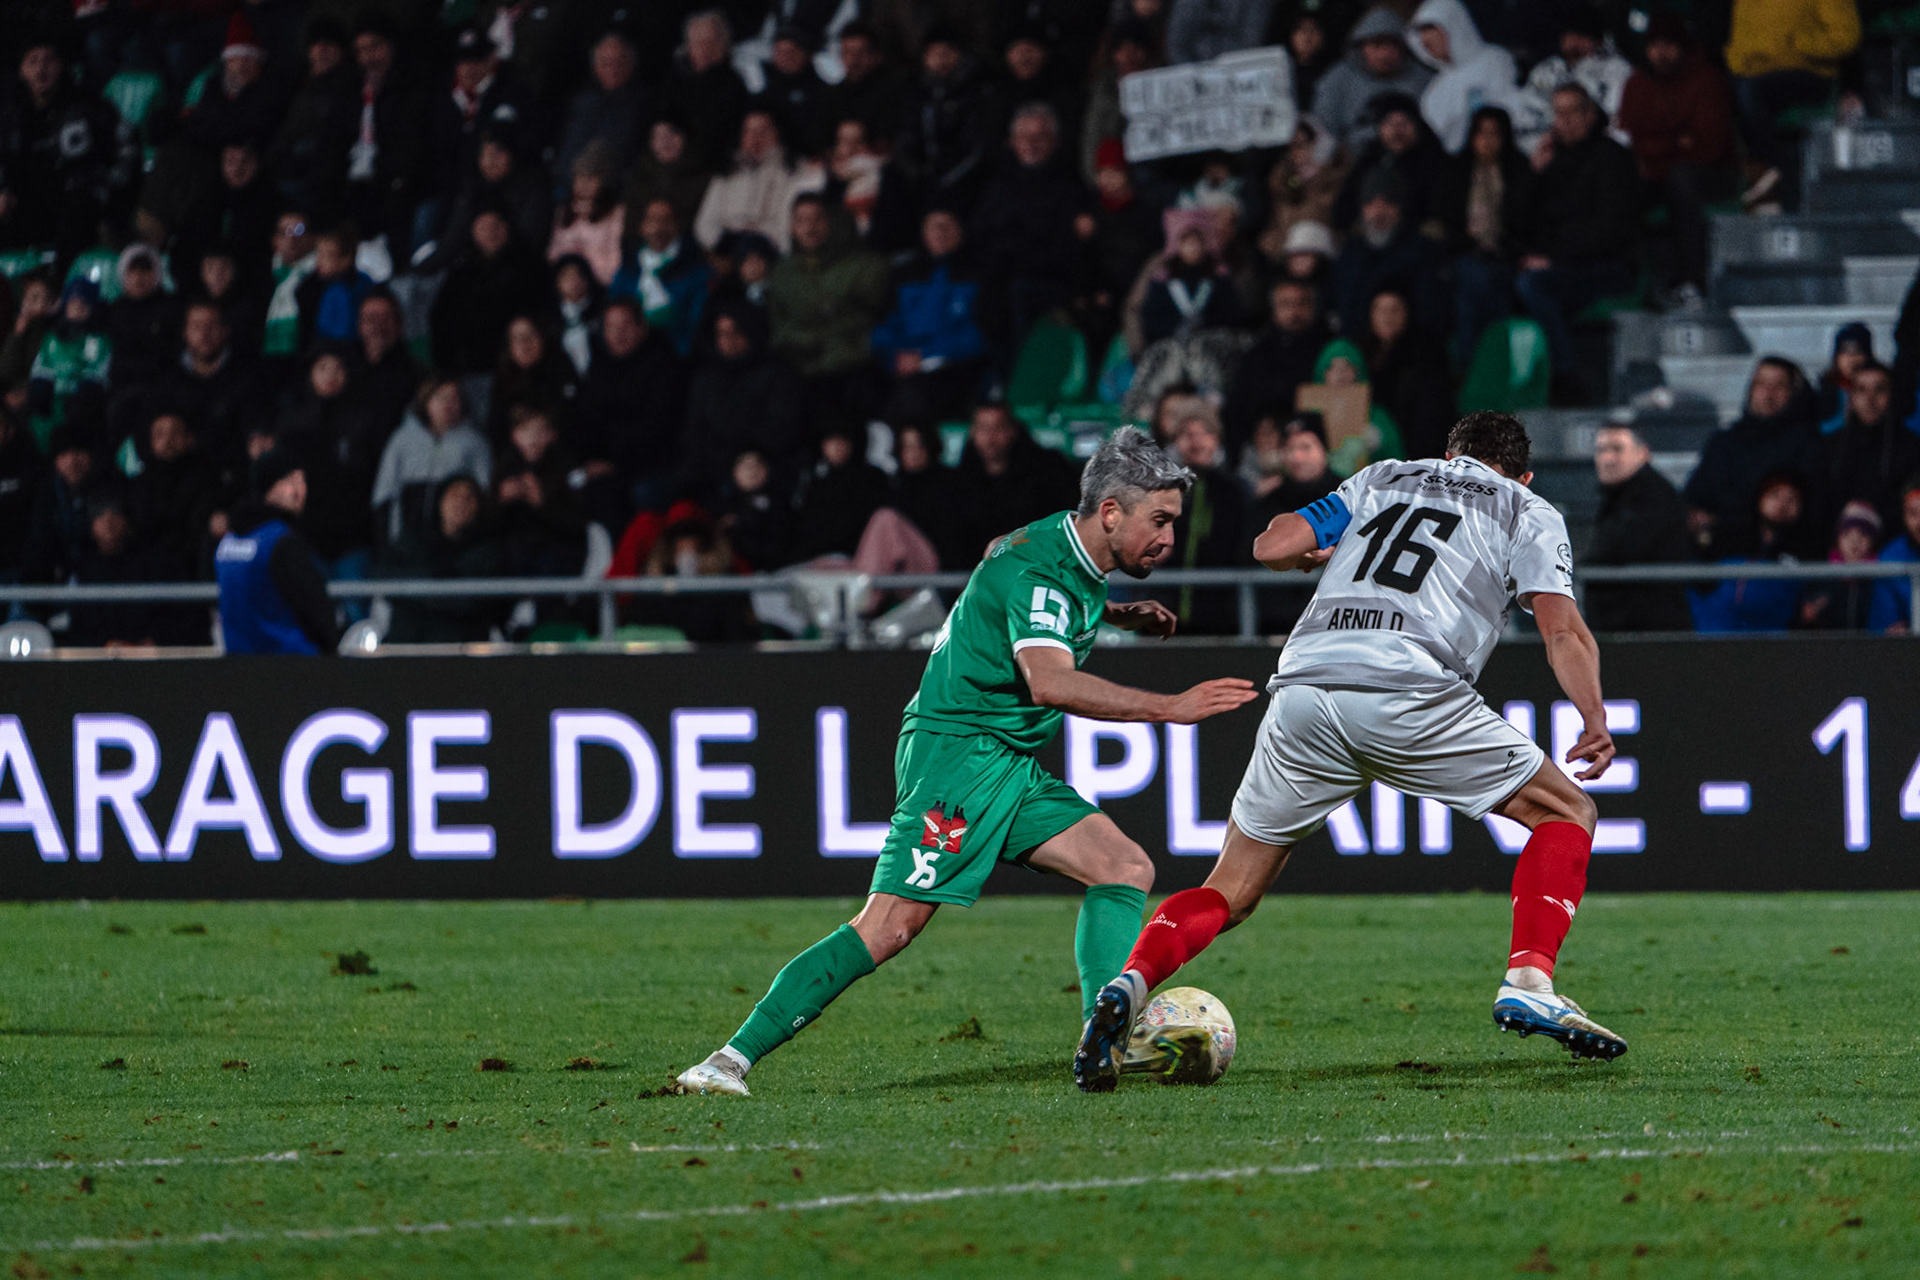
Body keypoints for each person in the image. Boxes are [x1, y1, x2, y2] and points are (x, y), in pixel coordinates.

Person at [672, 427, 1261, 1097]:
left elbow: (1000, 568)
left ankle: (1107, 1034)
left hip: (1003, 758)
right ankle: (725, 1061)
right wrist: (1169, 706)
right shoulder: (1047, 575)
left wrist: (1117, 614)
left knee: (1123, 866)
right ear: (1109, 513)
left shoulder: (1055, 547)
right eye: (1158, 521)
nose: (1168, 538)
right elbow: (1049, 681)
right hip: (959, 758)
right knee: (890, 927)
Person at [1076, 410, 1629, 1091]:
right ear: (1522, 471)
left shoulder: (1387, 475)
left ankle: (1130, 983)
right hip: (1408, 685)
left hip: (1305, 689)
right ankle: (1529, 979)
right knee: (1566, 811)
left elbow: (1270, 544)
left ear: (1447, 454)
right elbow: (1562, 628)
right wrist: (1593, 716)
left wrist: (1309, 555)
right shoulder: (1527, 507)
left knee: (1231, 887)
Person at [1515, 85, 1640, 403]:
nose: (1565, 120)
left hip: (1608, 266)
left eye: (1573, 111)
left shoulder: (1613, 157)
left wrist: (1554, 259)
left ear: (1590, 114)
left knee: (1534, 287)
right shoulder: (1551, 161)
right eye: (1559, 113)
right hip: (1560, 265)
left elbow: (1612, 231)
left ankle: (1565, 377)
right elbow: (1521, 222)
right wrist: (1534, 174)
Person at [1616, 16, 1737, 306]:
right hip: (1653, 171)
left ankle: (1692, 280)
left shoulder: (1706, 80)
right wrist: (1675, 139)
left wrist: (1658, 144)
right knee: (1618, 187)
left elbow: (1710, 145)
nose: (1661, 53)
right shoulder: (1637, 84)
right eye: (1654, 46)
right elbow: (1631, 134)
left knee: (1681, 180)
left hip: (1711, 174)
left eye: (1668, 45)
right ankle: (1634, 282)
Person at [1725, 0, 1860, 213]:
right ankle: (1760, 179)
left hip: (1809, 72)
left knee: (1751, 93)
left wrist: (1800, 45)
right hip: (1754, 75)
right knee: (1724, 94)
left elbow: (1845, 35)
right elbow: (1741, 39)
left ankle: (1779, 174)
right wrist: (1736, 61)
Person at [1684, 357, 1822, 558]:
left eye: (1779, 386)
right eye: (1761, 384)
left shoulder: (1808, 446)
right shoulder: (1723, 442)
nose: (1768, 393)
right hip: (1717, 560)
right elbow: (1696, 497)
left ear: (1793, 394)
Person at [1434, 105, 1535, 368]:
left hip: (1507, 254)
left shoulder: (1519, 170)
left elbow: (1526, 220)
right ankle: (1483, 364)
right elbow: (1446, 220)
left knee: (1484, 288)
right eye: (1482, 133)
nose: (1488, 140)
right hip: (1465, 254)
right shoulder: (1455, 170)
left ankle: (1479, 365)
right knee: (1475, 287)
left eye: (1494, 133)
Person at [214, 450, 341, 655]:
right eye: (289, 480)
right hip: (290, 667)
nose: (299, 490)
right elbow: (315, 608)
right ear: (268, 487)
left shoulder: (227, 544)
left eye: (302, 481)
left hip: (240, 668)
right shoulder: (280, 541)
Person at [1586, 423, 1692, 631]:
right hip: (1628, 630)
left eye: (1617, 449)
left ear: (1642, 453)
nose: (1607, 458)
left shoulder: (1654, 497)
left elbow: (1617, 550)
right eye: (1601, 450)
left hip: (1648, 635)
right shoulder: (1618, 496)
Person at [1690, 472, 1818, 632]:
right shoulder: (1730, 537)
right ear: (1760, 497)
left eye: (1792, 499)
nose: (1782, 504)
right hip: (1718, 636)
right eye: (1774, 495)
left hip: (1772, 641)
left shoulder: (1806, 549)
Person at [693, 108, 826, 253]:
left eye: (764, 131)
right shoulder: (727, 171)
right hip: (729, 251)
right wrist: (722, 246)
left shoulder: (794, 170)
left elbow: (789, 222)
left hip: (772, 251)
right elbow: (705, 222)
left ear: (777, 133)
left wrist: (763, 244)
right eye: (749, 131)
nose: (756, 137)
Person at [1222, 278, 1331, 450]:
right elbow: (1239, 412)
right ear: (1274, 309)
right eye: (1286, 304)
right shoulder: (1255, 358)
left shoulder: (1331, 354)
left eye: (1302, 303)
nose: (1295, 311)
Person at [1310, 6, 1435, 154]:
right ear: (1362, 46)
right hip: (1352, 163)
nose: (1385, 53)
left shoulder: (1423, 80)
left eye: (1392, 45)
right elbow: (1323, 129)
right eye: (1377, 45)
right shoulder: (1337, 80)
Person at [1818, 360, 1920, 536]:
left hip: (1893, 554)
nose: (1870, 399)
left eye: (1879, 389)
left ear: (1892, 395)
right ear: (1851, 398)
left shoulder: (1913, 447)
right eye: (1861, 389)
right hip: (1837, 553)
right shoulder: (1830, 447)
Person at [1512, 5, 1632, 154]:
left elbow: (1620, 126)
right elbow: (1525, 124)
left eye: (1581, 36)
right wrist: (1543, 147)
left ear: (1596, 39)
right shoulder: (1545, 71)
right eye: (1569, 35)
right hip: (1551, 157)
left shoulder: (1617, 70)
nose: (1574, 42)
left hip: (1599, 157)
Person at [1407, 0, 1519, 154]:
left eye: (1431, 29)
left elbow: (1510, 108)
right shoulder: (1434, 90)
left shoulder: (1494, 60)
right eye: (1421, 31)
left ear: (1453, 24)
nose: (1425, 39)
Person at [1866, 477, 1920, 632]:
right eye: (1913, 513)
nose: (1919, 522)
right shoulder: (1891, 556)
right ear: (1904, 516)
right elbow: (1885, 625)